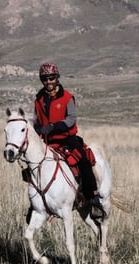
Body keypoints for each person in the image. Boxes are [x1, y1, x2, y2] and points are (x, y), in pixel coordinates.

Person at [33, 62, 102, 208]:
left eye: (51, 78)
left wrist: (53, 126)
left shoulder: (67, 97)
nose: (48, 82)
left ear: (57, 78)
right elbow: (36, 120)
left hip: (67, 139)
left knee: (83, 159)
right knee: (32, 164)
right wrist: (39, 128)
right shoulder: (38, 100)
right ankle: (36, 203)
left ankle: (92, 197)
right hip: (47, 141)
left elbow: (71, 119)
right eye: (45, 79)